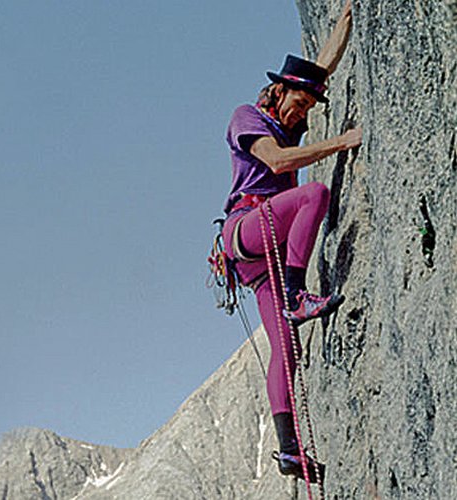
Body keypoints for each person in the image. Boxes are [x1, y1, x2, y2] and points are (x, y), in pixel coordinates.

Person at [220, 0, 361, 482]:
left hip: (266, 258)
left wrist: (343, 22)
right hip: (246, 228)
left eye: (307, 105)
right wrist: (342, 142)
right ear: (277, 92)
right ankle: (299, 296)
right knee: (313, 194)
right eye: (298, 102)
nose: (303, 112)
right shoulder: (247, 118)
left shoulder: (289, 113)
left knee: (287, 348)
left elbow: (320, 68)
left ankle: (288, 450)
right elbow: (278, 163)